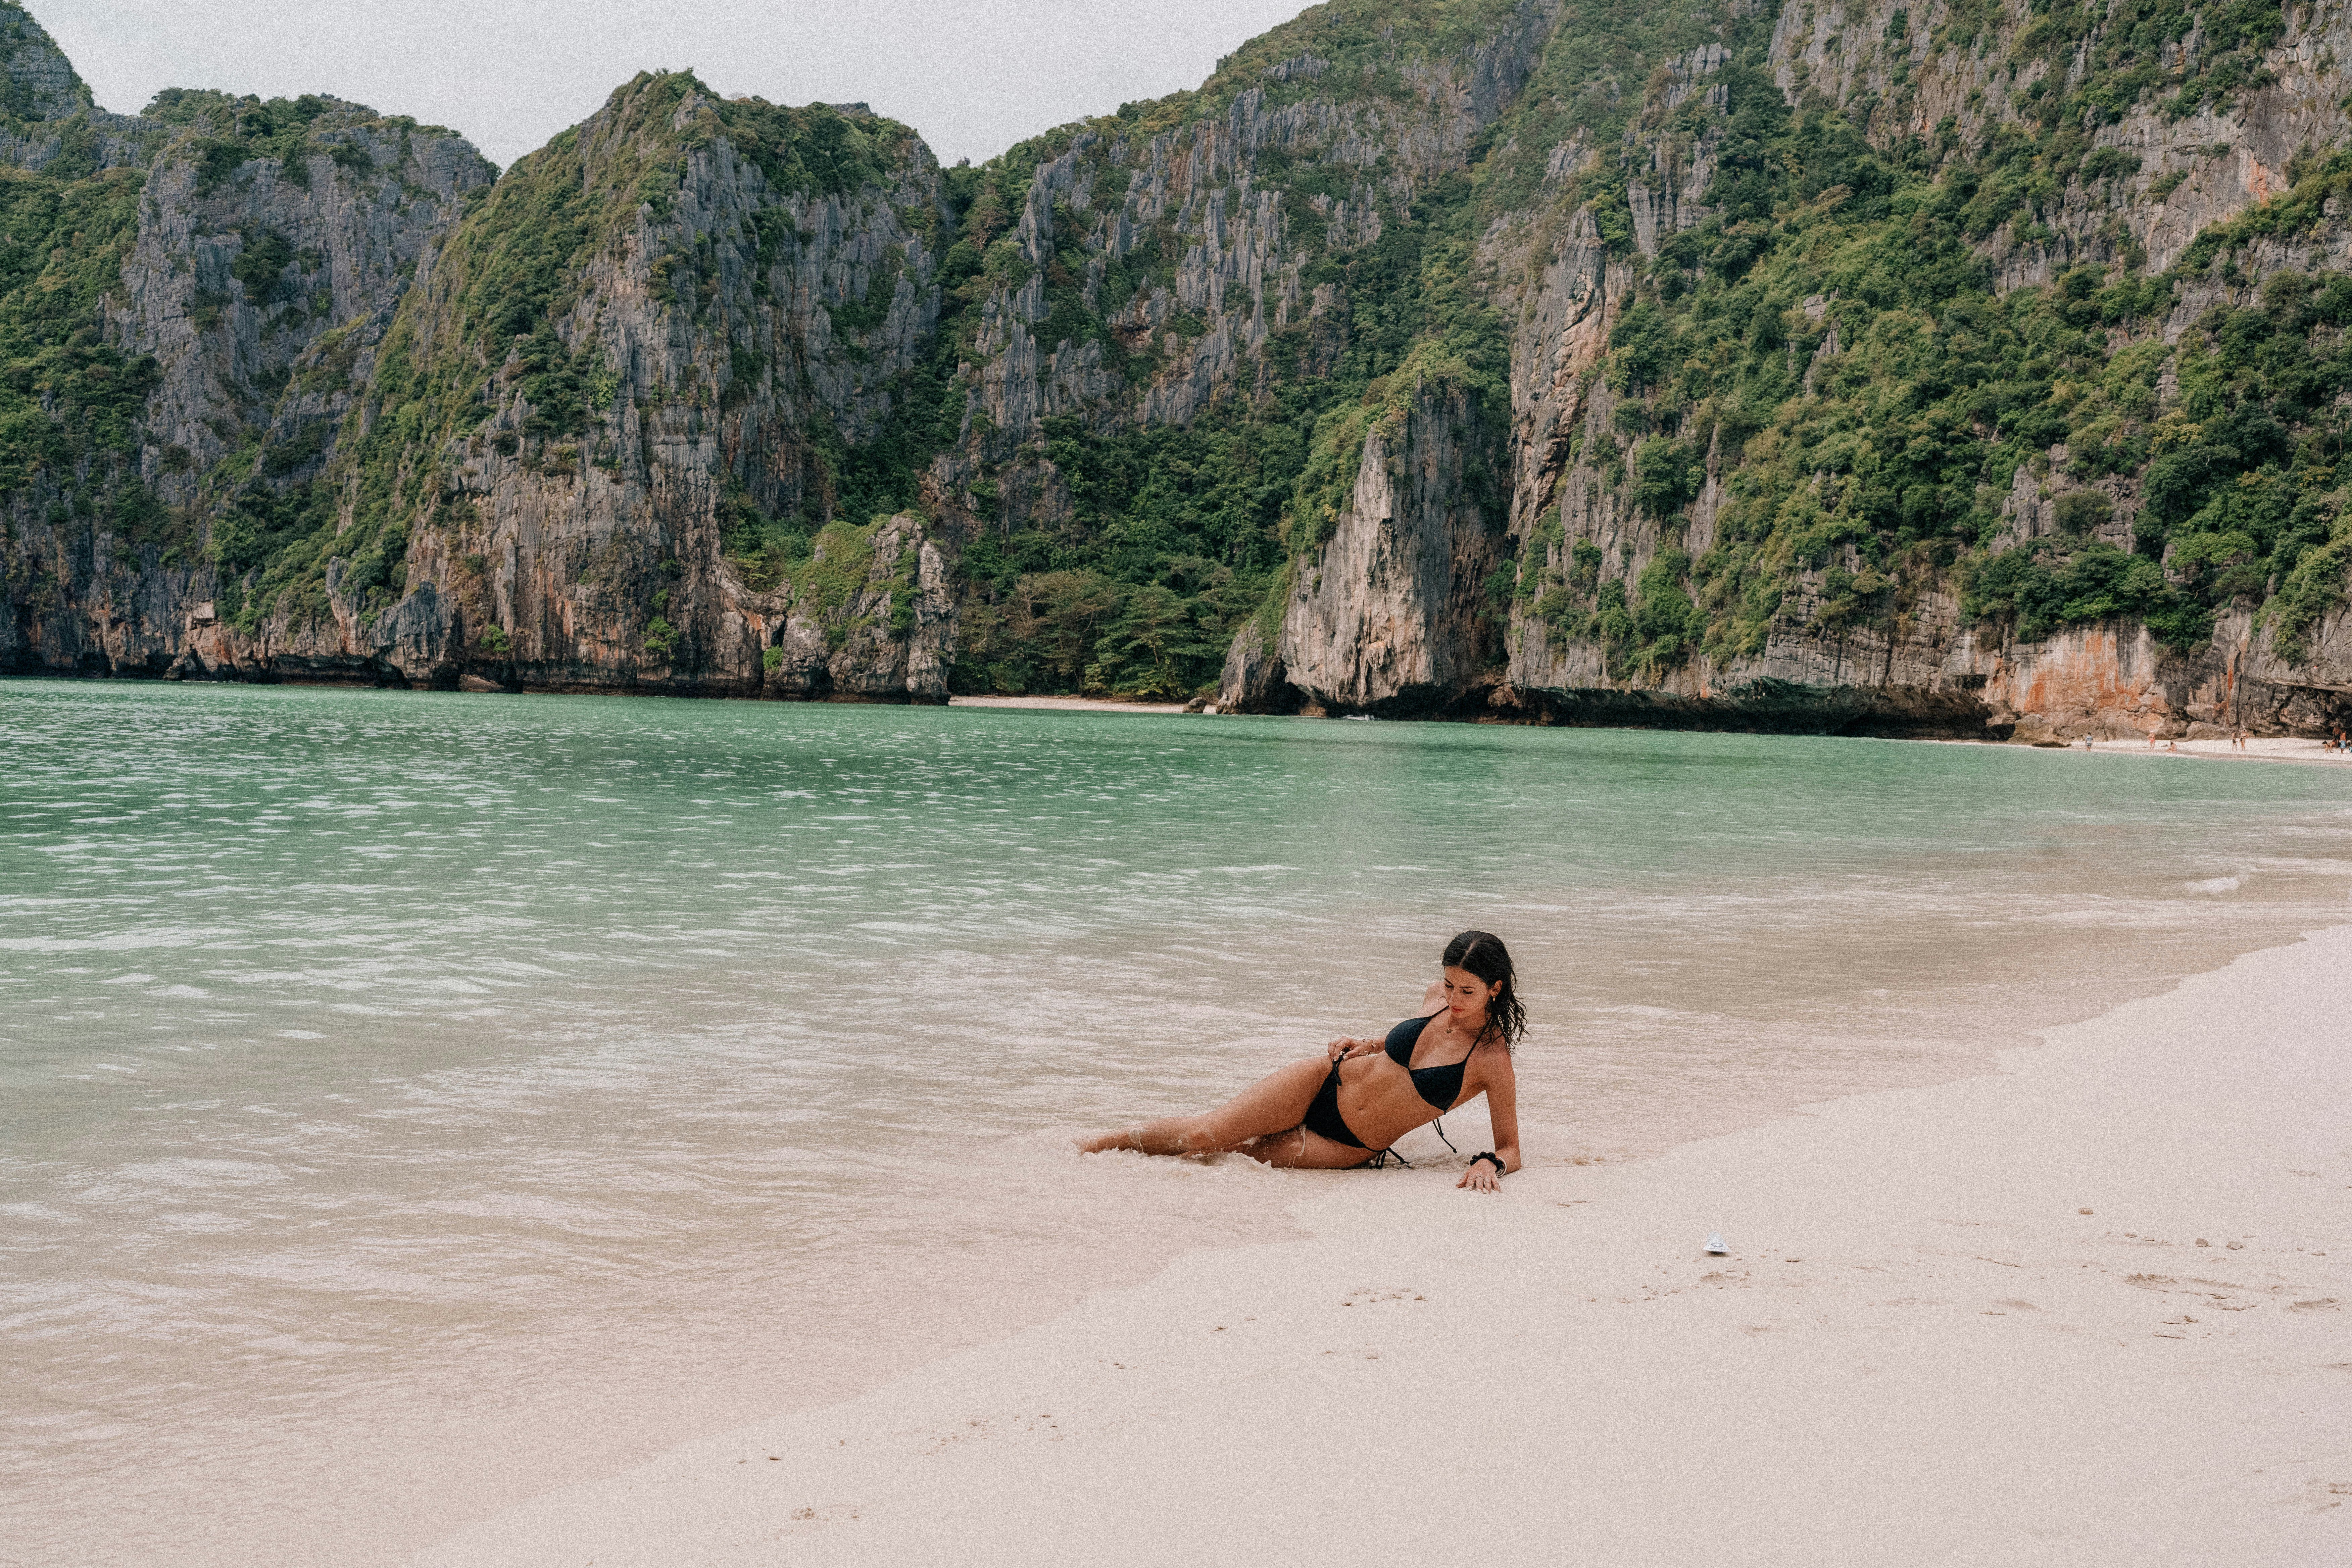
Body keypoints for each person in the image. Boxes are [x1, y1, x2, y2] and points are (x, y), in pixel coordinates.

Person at [1078, 930, 1526, 1191]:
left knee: (1235, 1155)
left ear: (1496, 989)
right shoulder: (1436, 997)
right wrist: (1367, 1042)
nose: (1454, 998)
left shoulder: (1491, 1060)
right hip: (1325, 1081)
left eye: (1467, 991)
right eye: (1450, 986)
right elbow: (1403, 1045)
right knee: (1205, 1133)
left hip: (1349, 1143)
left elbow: (1512, 1148)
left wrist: (1490, 1162)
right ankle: (1090, 1147)